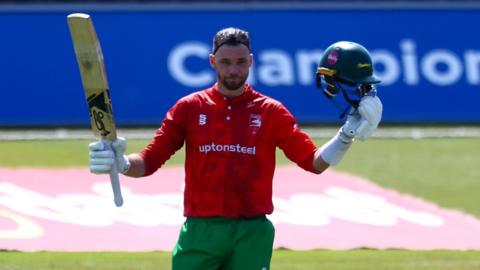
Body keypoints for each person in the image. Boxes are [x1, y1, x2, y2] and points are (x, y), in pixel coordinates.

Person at [88, 28, 382, 270]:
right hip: (201, 232)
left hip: (252, 232)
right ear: (212, 61)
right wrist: (122, 163)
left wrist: (347, 134)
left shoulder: (271, 112)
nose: (234, 70)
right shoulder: (188, 108)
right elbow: (150, 161)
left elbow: (314, 163)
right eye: (226, 62)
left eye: (241, 62)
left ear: (251, 61)